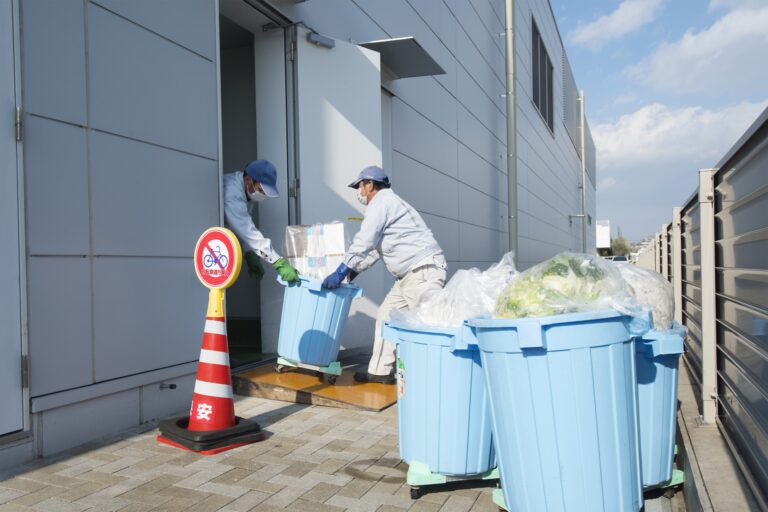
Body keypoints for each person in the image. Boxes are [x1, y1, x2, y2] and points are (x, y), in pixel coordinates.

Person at [322, 166, 446, 384]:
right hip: (408, 277)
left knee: (430, 325)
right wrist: (352, 271)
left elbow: (364, 241)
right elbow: (374, 252)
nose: (359, 192)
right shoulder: (390, 204)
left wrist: (340, 271)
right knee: (386, 316)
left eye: (359, 186)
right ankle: (379, 372)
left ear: (370, 184)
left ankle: (437, 379)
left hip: (422, 272)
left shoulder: (381, 203)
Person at [223, 160, 300, 285]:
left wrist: (249, 253)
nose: (263, 195)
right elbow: (247, 230)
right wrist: (278, 262)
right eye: (261, 189)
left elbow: (245, 224)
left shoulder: (245, 191)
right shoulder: (232, 193)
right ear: (248, 180)